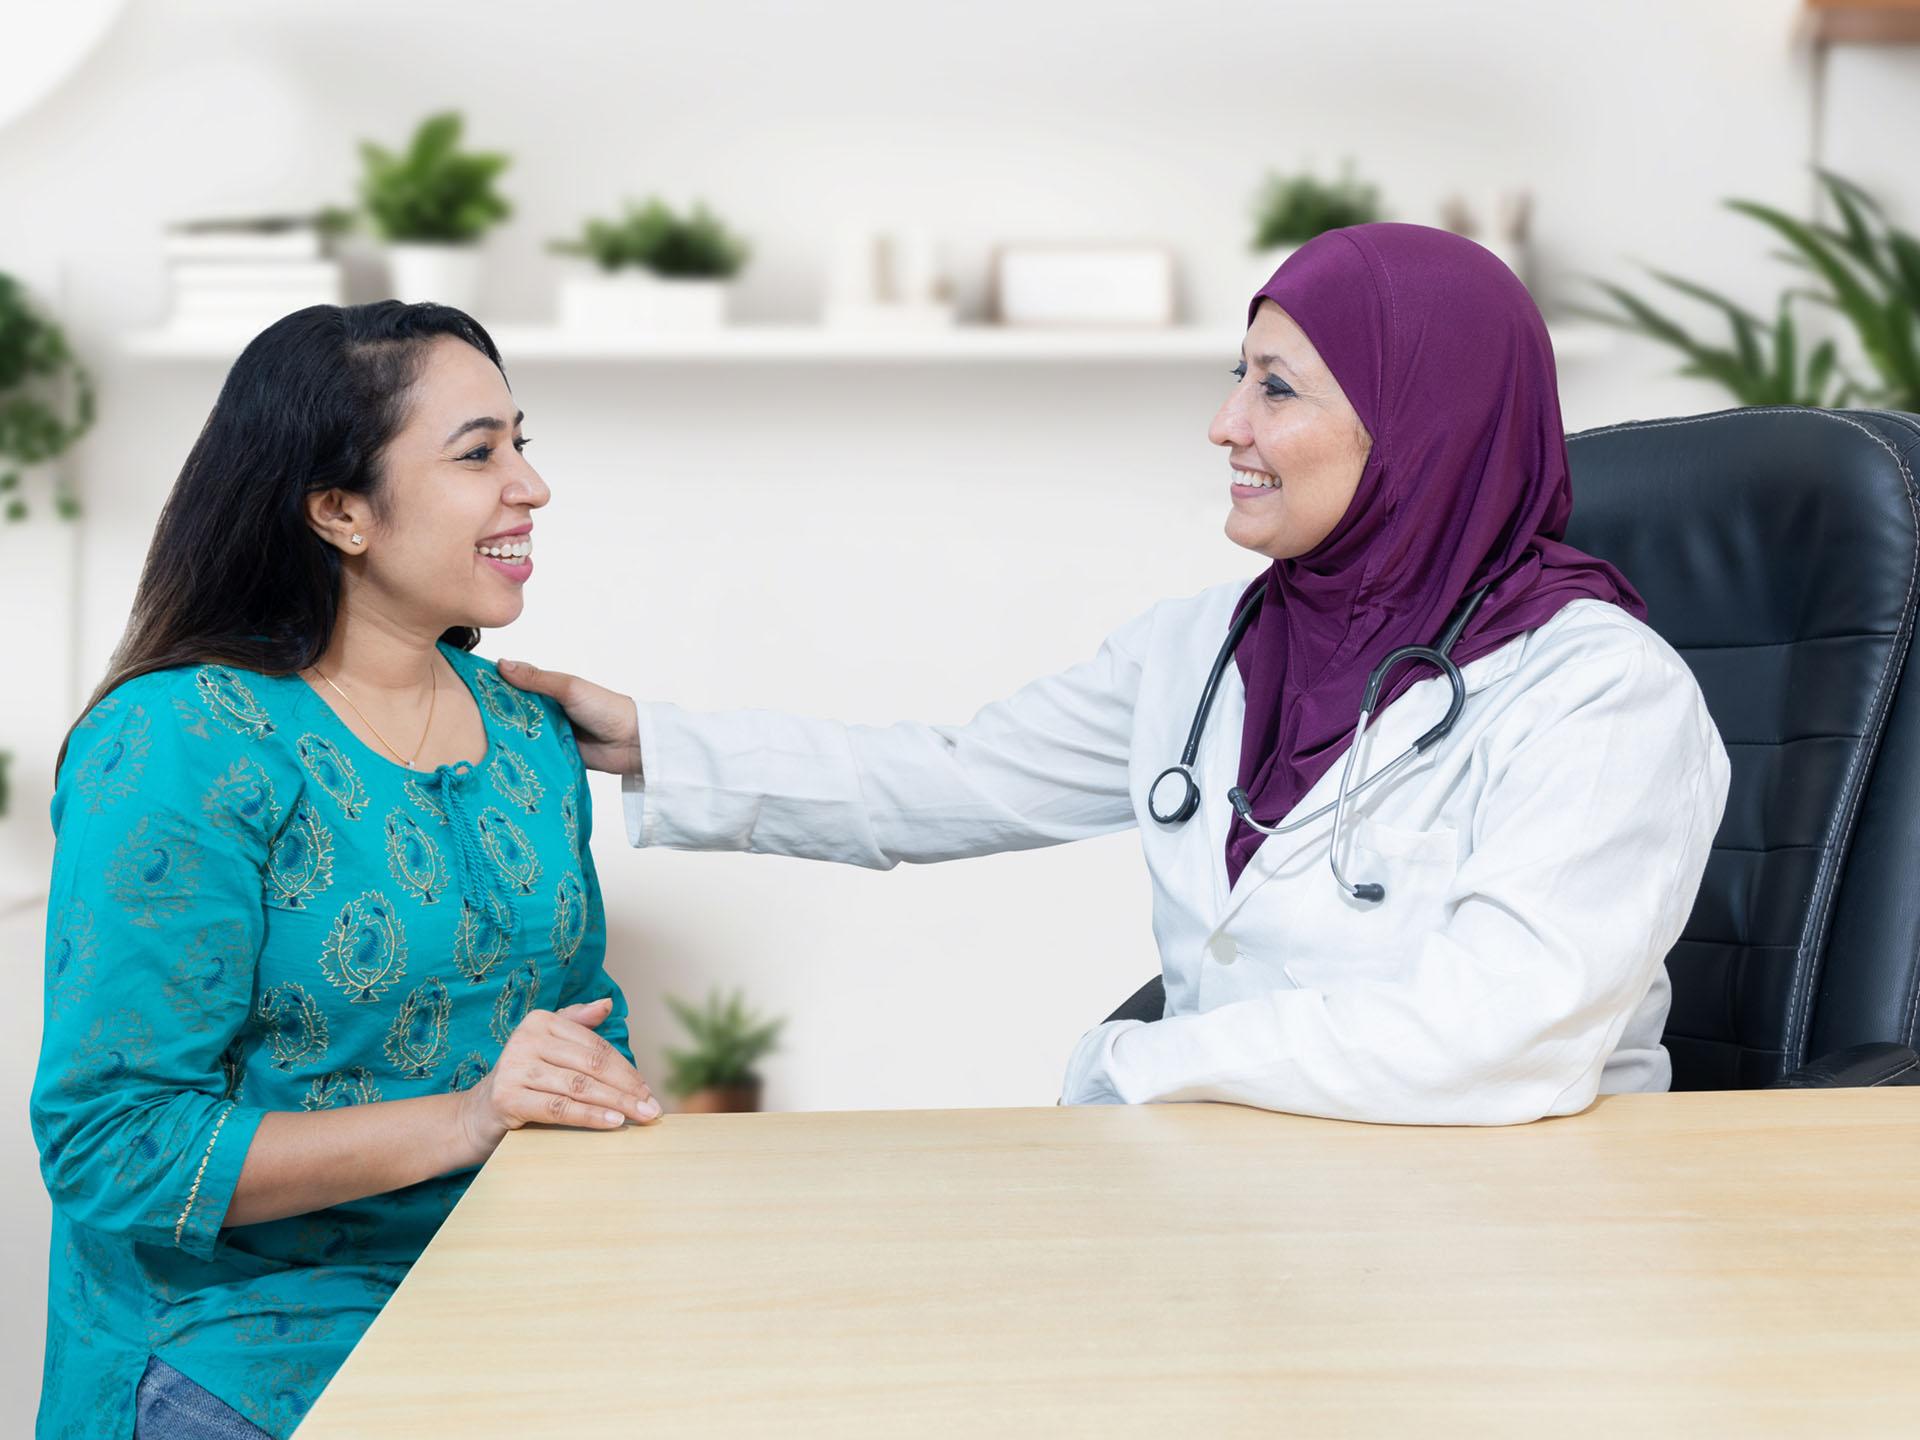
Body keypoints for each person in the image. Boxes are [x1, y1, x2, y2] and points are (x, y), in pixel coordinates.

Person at [501, 222, 1730, 1125]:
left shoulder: (1599, 694)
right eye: (1236, 375)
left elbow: (1492, 1035)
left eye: (1277, 388)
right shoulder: (1206, 648)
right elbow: (948, 780)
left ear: (1421, 427)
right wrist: (654, 744)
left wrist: (1149, 1064)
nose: (1226, 425)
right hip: (1240, 1190)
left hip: (1508, 1222)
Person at [30, 302, 660, 1440]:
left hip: (507, 1303)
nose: (531, 487)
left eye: (524, 442)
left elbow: (577, 1033)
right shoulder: (182, 741)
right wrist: (469, 1119)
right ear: (338, 511)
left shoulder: (525, 729)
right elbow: (113, 1148)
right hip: (241, 1340)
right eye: (479, 454)